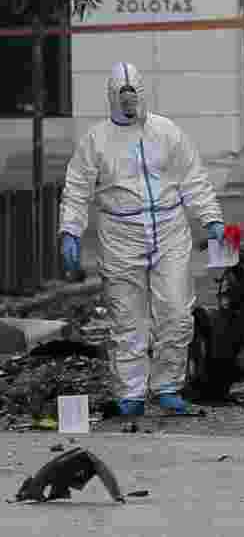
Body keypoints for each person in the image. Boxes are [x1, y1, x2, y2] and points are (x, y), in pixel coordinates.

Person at [59, 62, 226, 416]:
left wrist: (211, 219)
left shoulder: (167, 133)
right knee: (127, 317)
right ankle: (131, 393)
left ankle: (167, 385)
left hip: (169, 228)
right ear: (112, 97)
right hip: (120, 233)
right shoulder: (96, 141)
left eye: (133, 94)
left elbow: (193, 179)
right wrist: (70, 230)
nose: (129, 102)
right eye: (123, 96)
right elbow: (76, 189)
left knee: (177, 312)